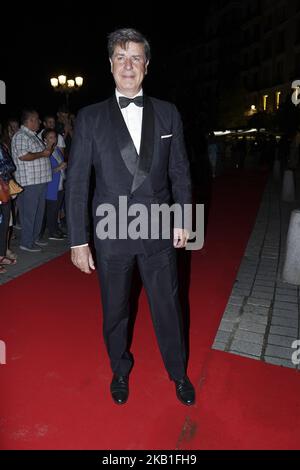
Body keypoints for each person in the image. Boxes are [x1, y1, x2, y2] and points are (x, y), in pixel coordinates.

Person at [66, 28, 195, 406]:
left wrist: (186, 220)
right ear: (110, 65)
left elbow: (181, 172)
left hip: (157, 228)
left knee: (168, 306)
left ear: (146, 66)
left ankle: (178, 372)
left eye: (135, 57)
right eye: (121, 57)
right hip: (111, 228)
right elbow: (76, 182)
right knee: (116, 309)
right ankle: (119, 369)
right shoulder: (89, 117)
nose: (128, 65)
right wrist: (78, 240)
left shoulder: (168, 113)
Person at [11, 110, 53, 252]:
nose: (39, 122)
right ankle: (26, 242)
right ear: (29, 121)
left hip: (39, 181)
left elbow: (42, 154)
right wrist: (43, 153)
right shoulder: (21, 136)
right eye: (36, 119)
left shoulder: (32, 136)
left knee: (37, 213)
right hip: (30, 182)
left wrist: (47, 148)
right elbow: (23, 156)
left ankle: (33, 239)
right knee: (29, 214)